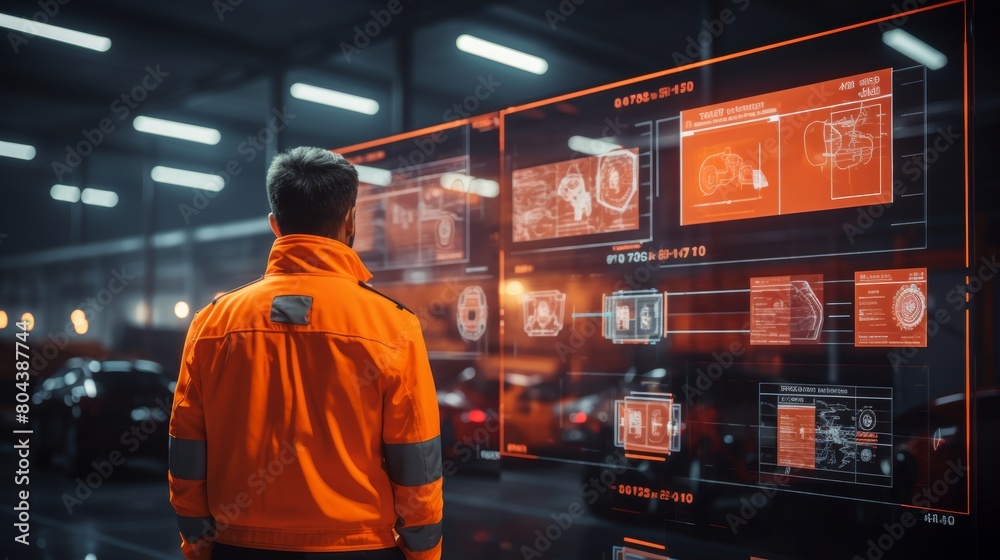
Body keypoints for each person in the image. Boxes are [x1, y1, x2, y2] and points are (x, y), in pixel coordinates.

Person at [168, 147, 443, 560]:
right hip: (360, 547)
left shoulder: (212, 324)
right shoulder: (393, 325)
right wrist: (423, 552)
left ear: (275, 224)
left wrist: (199, 542)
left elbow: (186, 447)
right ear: (351, 219)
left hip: (239, 545)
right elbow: (416, 457)